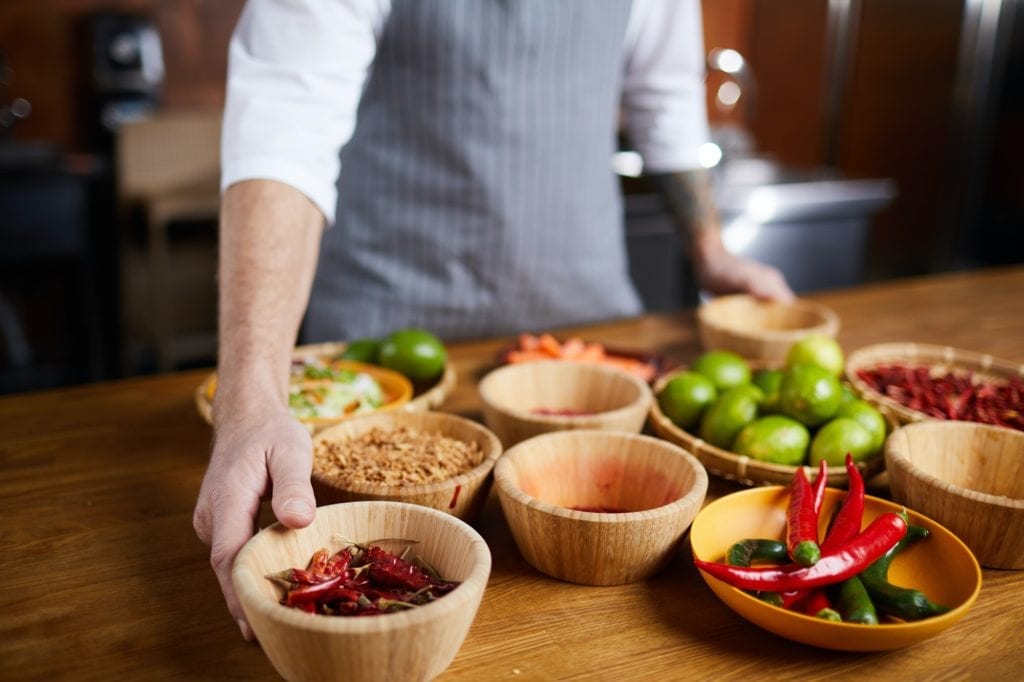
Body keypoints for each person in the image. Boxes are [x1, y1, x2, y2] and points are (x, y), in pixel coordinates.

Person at [193, 0, 794, 640]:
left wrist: (711, 251)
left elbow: (665, 94)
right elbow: (286, 121)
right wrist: (251, 397)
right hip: (391, 332)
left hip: (583, 318)